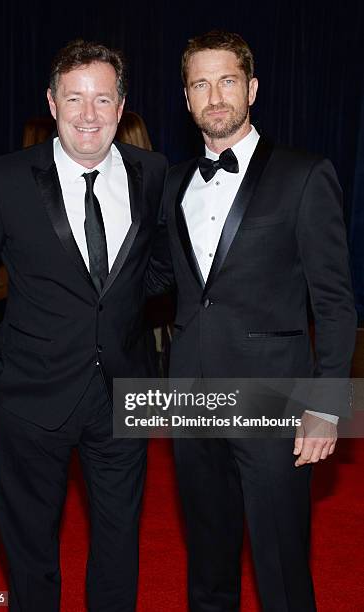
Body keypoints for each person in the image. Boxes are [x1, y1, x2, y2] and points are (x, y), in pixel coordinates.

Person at [0, 38, 167, 612]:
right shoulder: (5, 178)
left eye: (101, 99)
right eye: (74, 98)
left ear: (122, 107)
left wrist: (124, 316)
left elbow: (156, 266)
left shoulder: (154, 172)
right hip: (28, 393)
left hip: (124, 393)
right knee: (30, 549)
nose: (87, 115)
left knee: (120, 542)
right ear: (51, 103)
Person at [148, 30, 357, 611]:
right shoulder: (171, 186)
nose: (215, 96)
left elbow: (335, 303)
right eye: (200, 84)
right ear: (187, 98)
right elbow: (158, 279)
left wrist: (326, 406)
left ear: (253, 89)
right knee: (209, 563)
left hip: (275, 399)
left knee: (282, 568)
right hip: (190, 397)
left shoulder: (305, 174)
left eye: (228, 81)